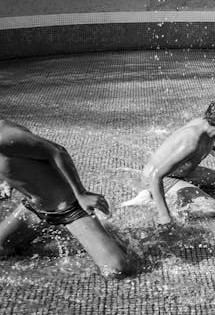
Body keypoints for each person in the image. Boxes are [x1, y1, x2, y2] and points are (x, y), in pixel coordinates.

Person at [0, 119, 132, 278]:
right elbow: (18, 162)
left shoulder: (5, 136)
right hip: (33, 209)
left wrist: (81, 193)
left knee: (117, 271)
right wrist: (7, 183)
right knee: (3, 250)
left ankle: (105, 234)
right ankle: (71, 232)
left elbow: (56, 151)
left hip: (68, 209)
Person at [120, 95, 215, 225]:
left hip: (180, 172)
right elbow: (156, 175)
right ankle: (150, 199)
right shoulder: (191, 142)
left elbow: (207, 141)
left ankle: (187, 195)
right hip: (160, 179)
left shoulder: (207, 124)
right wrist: (164, 216)